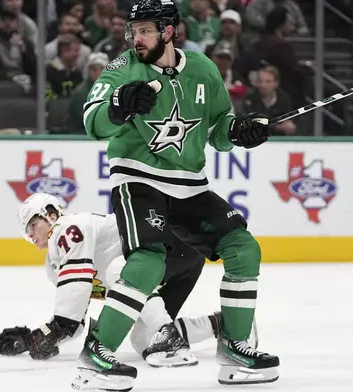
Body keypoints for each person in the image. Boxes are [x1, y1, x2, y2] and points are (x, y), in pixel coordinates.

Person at [79, 0, 278, 390]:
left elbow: (220, 127)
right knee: (148, 263)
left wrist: (240, 132)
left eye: (145, 31)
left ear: (169, 31)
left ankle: (235, 347)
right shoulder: (123, 69)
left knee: (243, 247)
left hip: (190, 185)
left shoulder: (203, 70)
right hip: (138, 179)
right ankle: (96, 353)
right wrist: (118, 108)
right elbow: (92, 121)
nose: (136, 38)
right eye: (134, 32)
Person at [0, 192, 241, 367]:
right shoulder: (54, 266)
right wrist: (35, 338)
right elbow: (74, 320)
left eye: (33, 225)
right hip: (183, 260)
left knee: (118, 272)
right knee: (142, 338)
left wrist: (54, 329)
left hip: (170, 244)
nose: (31, 234)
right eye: (27, 232)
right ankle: (226, 324)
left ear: (51, 215)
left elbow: (67, 313)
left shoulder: (68, 228)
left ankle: (170, 338)